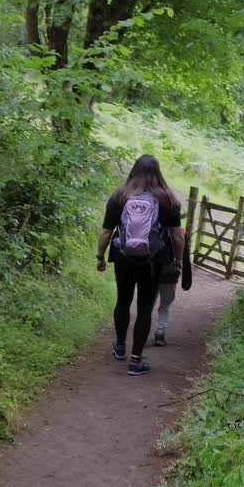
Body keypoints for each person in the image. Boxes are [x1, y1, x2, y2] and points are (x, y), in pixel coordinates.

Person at [97, 155, 185, 375]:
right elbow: (177, 236)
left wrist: (100, 256)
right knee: (145, 307)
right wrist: (178, 260)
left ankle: (119, 347)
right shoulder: (168, 199)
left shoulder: (120, 196)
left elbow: (106, 232)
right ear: (158, 173)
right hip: (153, 259)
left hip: (123, 256)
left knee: (123, 300)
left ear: (134, 171)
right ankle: (136, 361)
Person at [153, 226, 192, 347]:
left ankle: (142, 332)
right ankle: (160, 332)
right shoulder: (180, 232)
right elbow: (185, 257)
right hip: (170, 273)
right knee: (165, 306)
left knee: (147, 305)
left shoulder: (150, 227)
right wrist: (186, 279)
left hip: (151, 272)